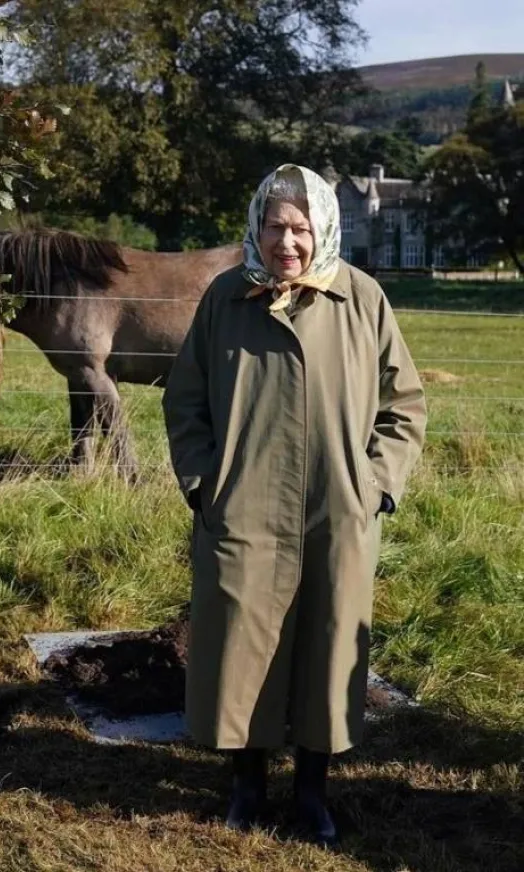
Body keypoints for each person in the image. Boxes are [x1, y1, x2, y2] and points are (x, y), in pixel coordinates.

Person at [162, 164, 426, 847]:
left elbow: (403, 405)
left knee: (328, 643)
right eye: (275, 227)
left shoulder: (361, 298)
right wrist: (203, 483)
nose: (288, 242)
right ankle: (246, 785)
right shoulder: (226, 297)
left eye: (301, 228)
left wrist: (375, 485)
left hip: (337, 506)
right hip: (243, 506)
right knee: (240, 642)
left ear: (323, 230)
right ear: (256, 227)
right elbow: (185, 401)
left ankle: (313, 791)